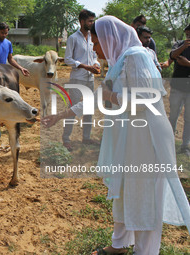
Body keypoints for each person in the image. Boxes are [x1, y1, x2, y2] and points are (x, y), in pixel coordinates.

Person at [42, 16, 190, 255]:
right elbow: (97, 98)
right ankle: (119, 245)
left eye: (96, 43)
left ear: (109, 39)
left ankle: (145, 251)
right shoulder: (120, 61)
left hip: (147, 138)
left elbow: (147, 98)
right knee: (123, 187)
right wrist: (60, 116)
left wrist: (112, 97)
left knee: (144, 194)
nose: (94, 49)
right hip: (130, 136)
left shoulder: (137, 56)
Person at [63, 9, 100, 150]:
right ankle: (66, 139)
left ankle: (86, 138)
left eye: (93, 20)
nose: (92, 23)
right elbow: (68, 59)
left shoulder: (93, 37)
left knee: (89, 109)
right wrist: (84, 66)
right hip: (77, 79)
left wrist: (95, 65)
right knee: (73, 109)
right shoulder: (73, 38)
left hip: (90, 79)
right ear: (82, 21)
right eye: (90, 21)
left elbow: (95, 55)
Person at [168, 24, 190, 157]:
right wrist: (183, 47)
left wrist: (187, 63)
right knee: (173, 115)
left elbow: (183, 62)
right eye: (187, 34)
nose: (189, 36)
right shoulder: (179, 44)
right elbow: (172, 55)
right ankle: (169, 142)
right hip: (177, 87)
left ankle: (185, 146)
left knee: (188, 118)